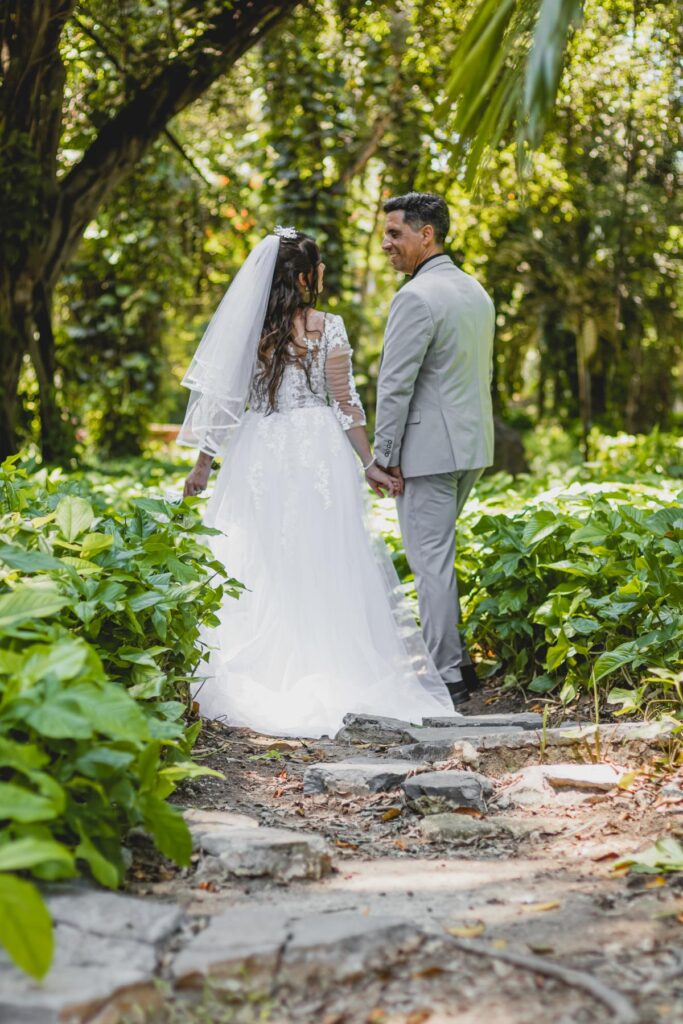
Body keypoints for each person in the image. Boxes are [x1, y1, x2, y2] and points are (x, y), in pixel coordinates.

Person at [179, 226, 452, 738]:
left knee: (261, 552)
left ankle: (264, 663)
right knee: (324, 554)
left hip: (258, 448)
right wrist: (371, 461)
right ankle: (326, 660)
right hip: (315, 450)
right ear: (307, 276)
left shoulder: (249, 331)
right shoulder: (328, 327)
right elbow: (345, 402)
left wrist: (203, 465)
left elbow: (224, 404)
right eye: (319, 267)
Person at [374, 193, 495, 708]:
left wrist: (384, 454)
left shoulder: (416, 297)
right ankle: (460, 665)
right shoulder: (475, 291)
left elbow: (394, 384)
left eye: (395, 234)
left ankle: (446, 675)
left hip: (427, 450)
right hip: (471, 446)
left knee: (431, 563)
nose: (386, 245)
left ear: (427, 235)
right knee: (439, 556)